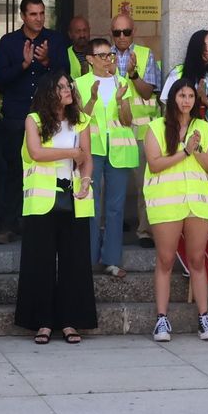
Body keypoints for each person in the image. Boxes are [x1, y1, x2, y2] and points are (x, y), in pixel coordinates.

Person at [14, 72, 97, 344]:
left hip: (75, 198)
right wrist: (71, 154)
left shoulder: (81, 120)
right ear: (49, 92)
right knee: (41, 262)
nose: (67, 90)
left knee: (75, 261)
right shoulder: (34, 120)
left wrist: (86, 179)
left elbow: (87, 158)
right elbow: (37, 152)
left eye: (68, 85)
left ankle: (71, 322)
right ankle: (43, 323)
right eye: (60, 86)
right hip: (42, 200)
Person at [144, 77, 208, 341]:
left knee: (197, 260)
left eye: (190, 96)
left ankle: (204, 317)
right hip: (166, 200)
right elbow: (155, 164)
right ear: (172, 98)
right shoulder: (156, 127)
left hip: (198, 202)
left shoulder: (204, 127)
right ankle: (162, 319)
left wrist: (195, 148)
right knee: (165, 260)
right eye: (181, 96)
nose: (186, 100)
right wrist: (184, 152)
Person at [0, 0, 66, 244]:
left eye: (42, 13)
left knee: (46, 170)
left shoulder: (55, 39)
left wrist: (46, 61)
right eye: (33, 14)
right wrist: (23, 65)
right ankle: (7, 226)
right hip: (17, 115)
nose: (39, 18)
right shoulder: (10, 42)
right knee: (13, 169)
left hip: (49, 116)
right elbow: (0, 79)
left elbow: (64, 75)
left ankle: (41, 225)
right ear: (23, 16)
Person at [75, 38, 136, 278]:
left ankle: (111, 259)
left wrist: (121, 101)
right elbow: (80, 119)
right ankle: (88, 258)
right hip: (92, 150)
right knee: (91, 204)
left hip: (118, 150)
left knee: (115, 206)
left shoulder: (121, 81)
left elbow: (128, 120)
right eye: (102, 55)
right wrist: (91, 98)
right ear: (90, 59)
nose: (108, 59)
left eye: (109, 55)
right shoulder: (79, 83)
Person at [110, 12, 161, 248]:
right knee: (110, 186)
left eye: (126, 32)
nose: (121, 37)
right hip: (112, 132)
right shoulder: (104, 55)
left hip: (140, 132)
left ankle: (145, 232)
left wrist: (133, 74)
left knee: (144, 185)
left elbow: (147, 92)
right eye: (117, 33)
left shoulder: (144, 54)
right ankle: (108, 230)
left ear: (134, 31)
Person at [162, 29, 208, 119]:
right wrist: (194, 98)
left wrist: (205, 99)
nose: (207, 49)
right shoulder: (177, 74)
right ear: (194, 48)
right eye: (203, 45)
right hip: (188, 131)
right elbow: (169, 111)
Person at [65, 15, 92, 80]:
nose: (82, 35)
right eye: (78, 31)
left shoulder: (98, 52)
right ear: (70, 34)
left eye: (85, 30)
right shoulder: (64, 55)